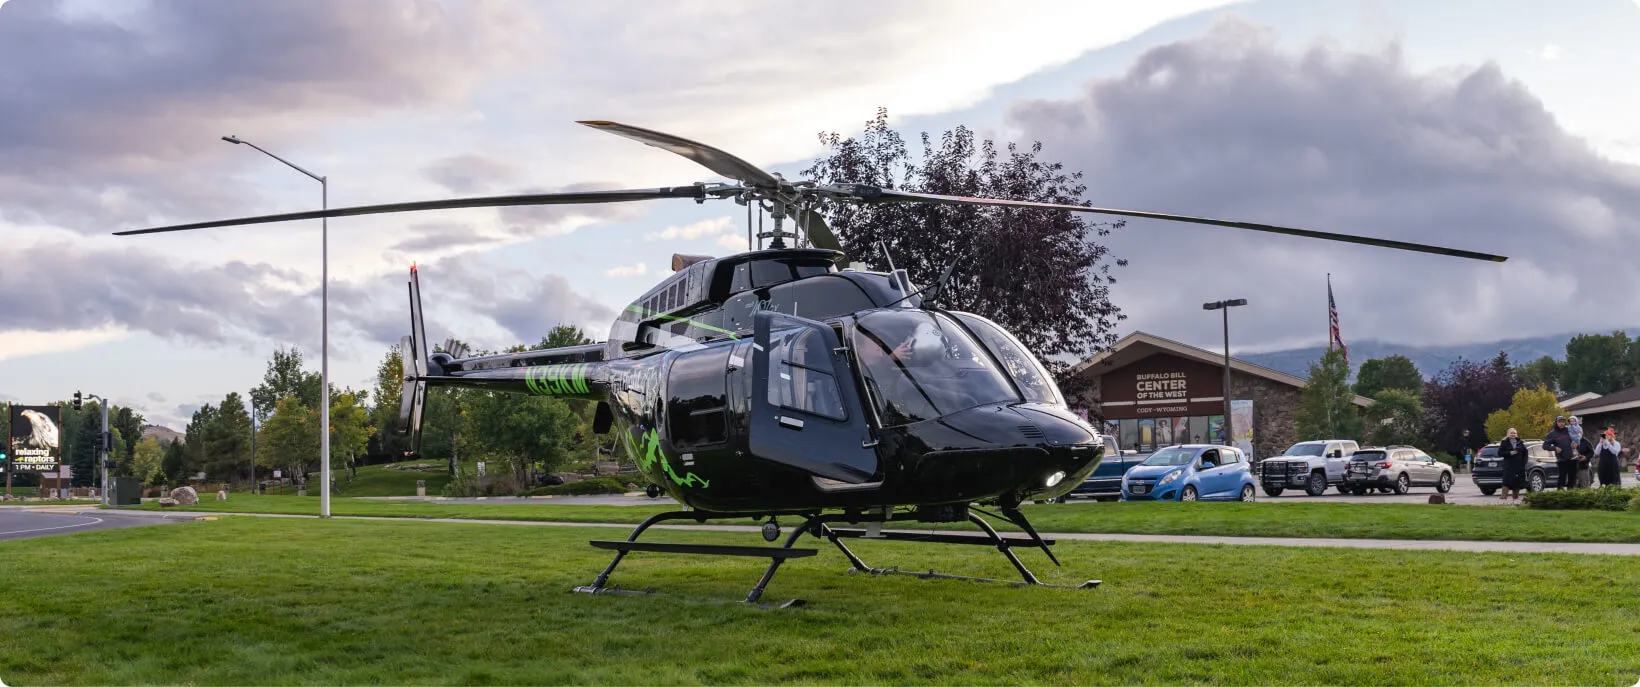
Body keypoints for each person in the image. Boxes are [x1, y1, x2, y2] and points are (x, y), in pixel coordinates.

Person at [1543, 416, 1575, 490]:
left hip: (1572, 457)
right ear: (1556, 422)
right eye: (1559, 422)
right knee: (1562, 478)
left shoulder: (1569, 430)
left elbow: (1577, 436)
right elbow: (1545, 446)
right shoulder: (1552, 433)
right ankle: (1560, 492)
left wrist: (1576, 443)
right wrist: (1555, 448)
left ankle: (1571, 493)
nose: (1561, 423)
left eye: (1563, 422)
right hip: (1562, 458)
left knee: (1572, 477)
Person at [1499, 428, 1529, 501]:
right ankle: (1503, 497)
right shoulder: (1504, 442)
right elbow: (1500, 453)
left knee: (1517, 482)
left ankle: (1515, 498)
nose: (1513, 434)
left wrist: (1523, 462)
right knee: (1506, 482)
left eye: (1514, 433)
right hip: (1508, 466)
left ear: (1516, 434)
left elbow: (1525, 453)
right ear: (1508, 434)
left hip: (1518, 467)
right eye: (1511, 433)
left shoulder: (1520, 442)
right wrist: (1509, 453)